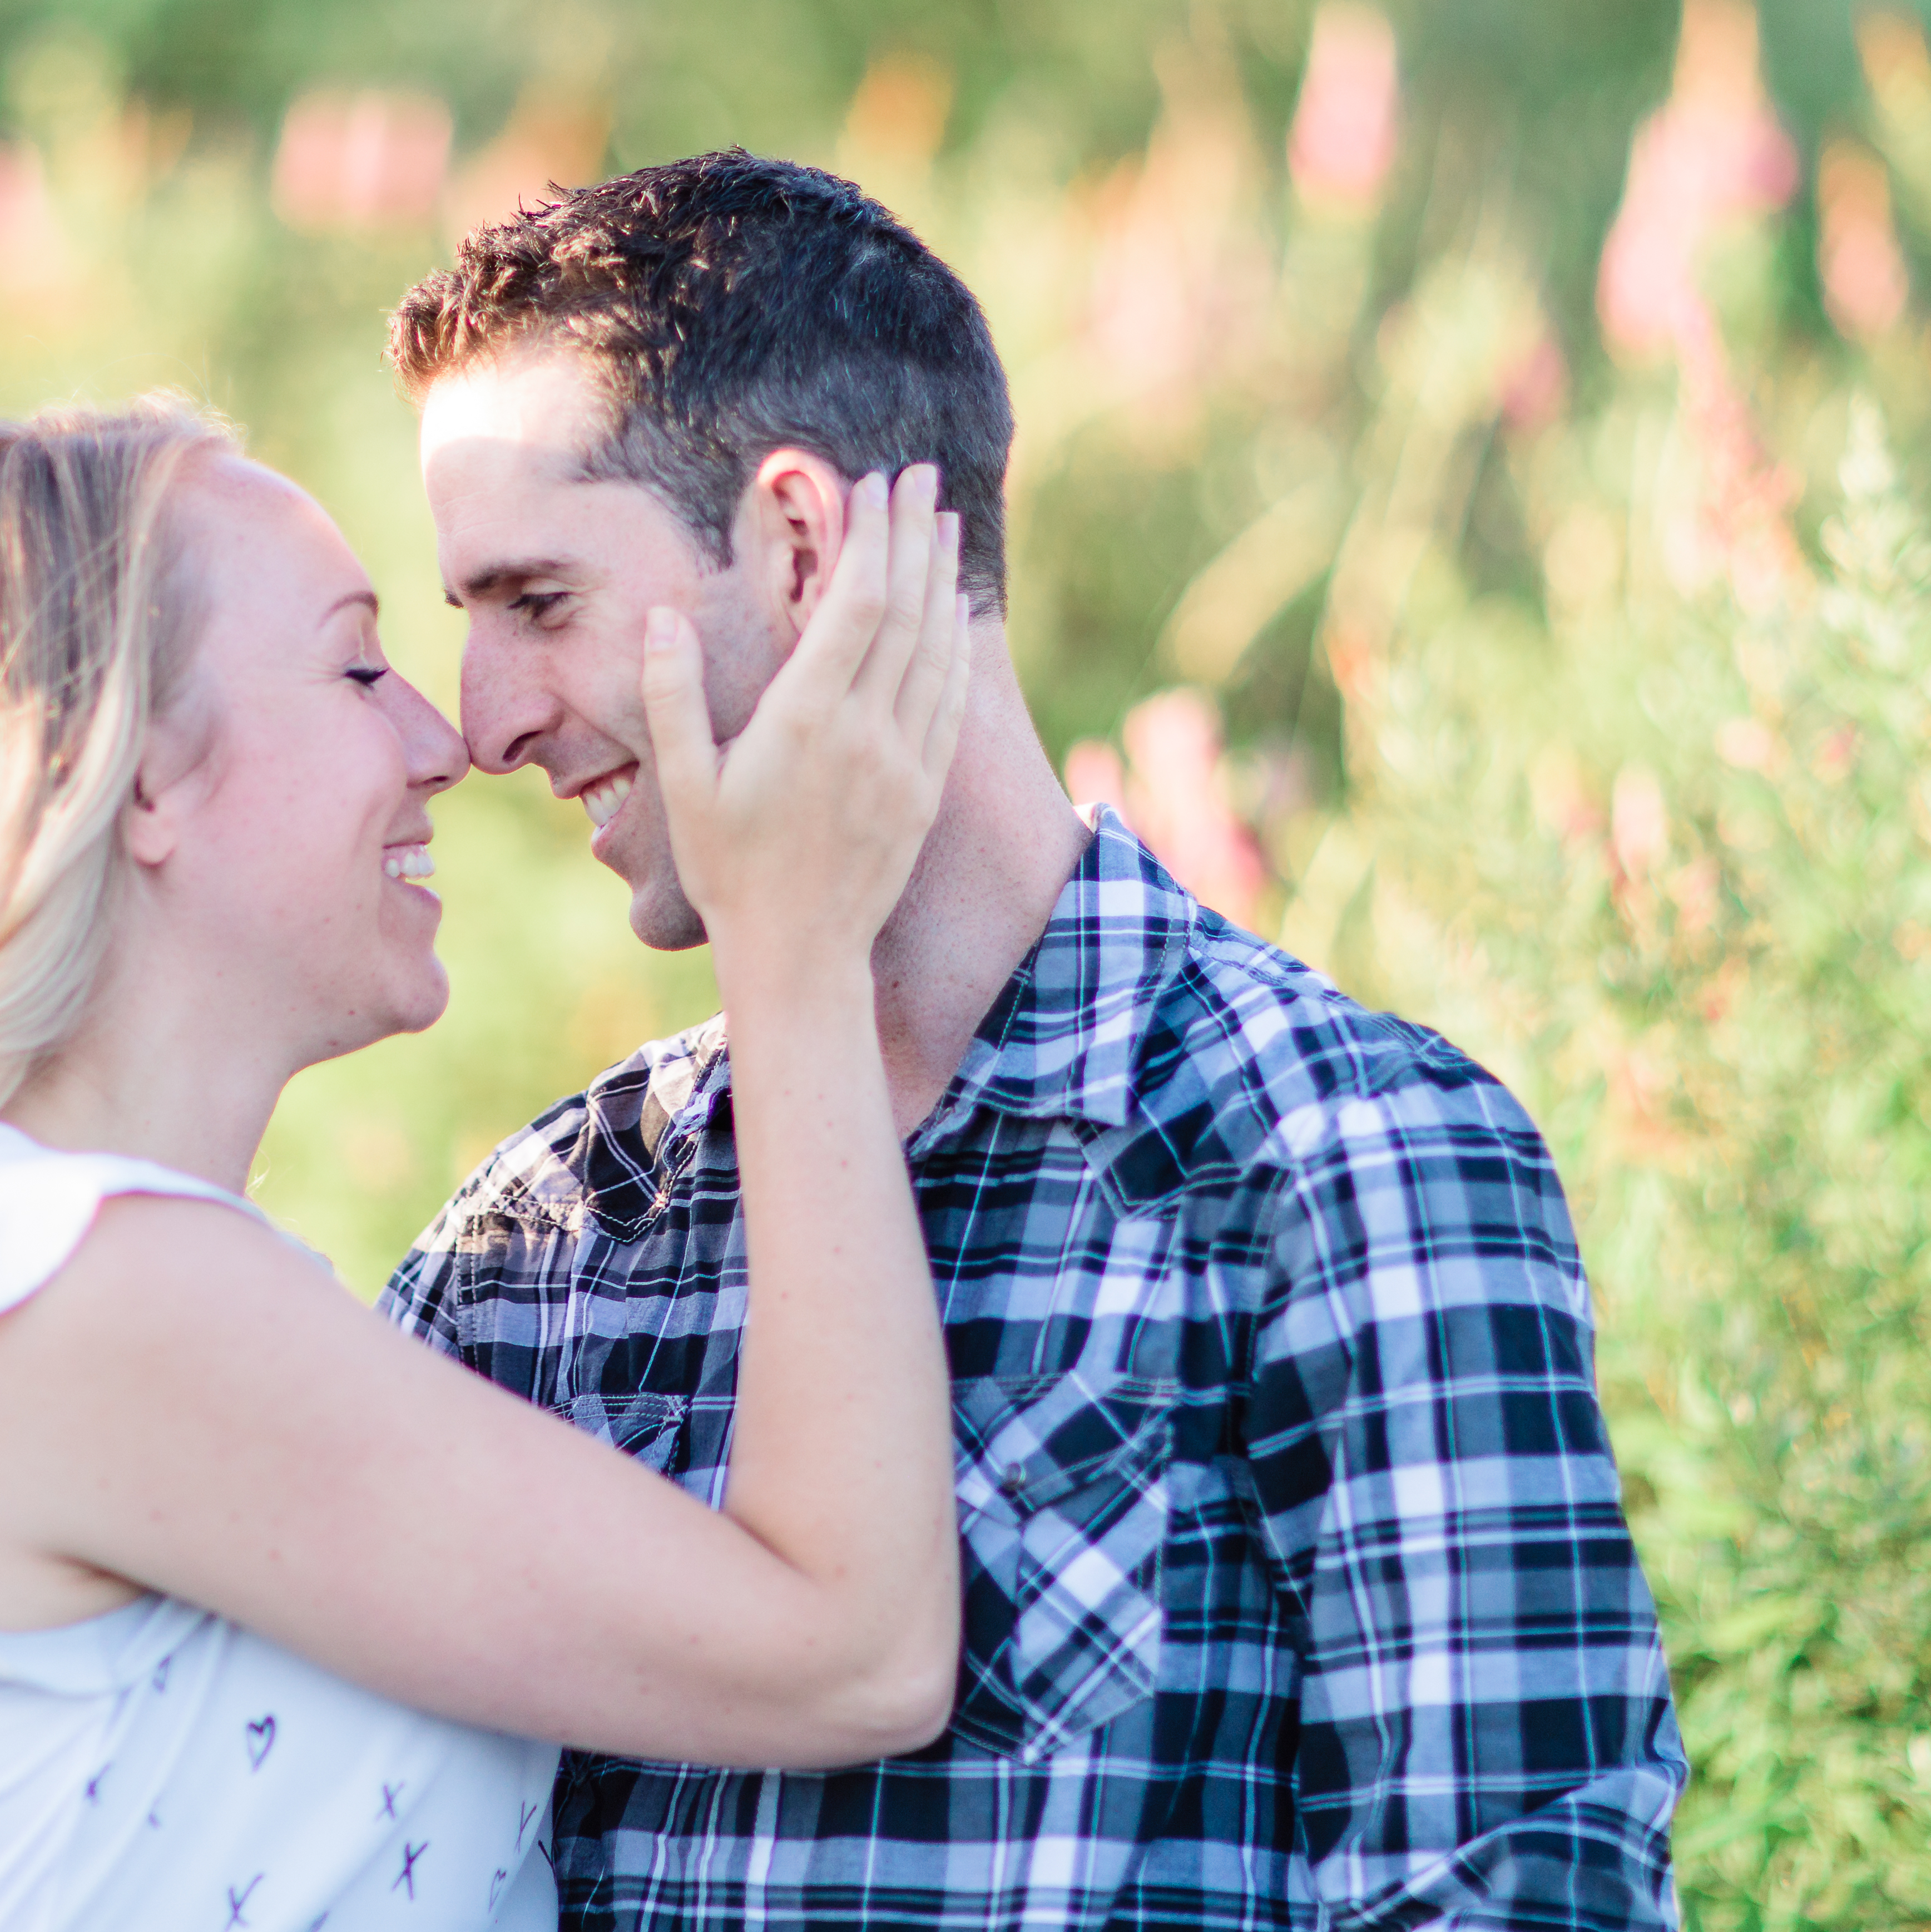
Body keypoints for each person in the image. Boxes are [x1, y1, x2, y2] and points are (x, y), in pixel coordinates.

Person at [383, 150, 1688, 1931]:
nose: (484, 724)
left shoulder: (1343, 1166)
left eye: (536, 604)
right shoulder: (536, 1247)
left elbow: (1507, 1901)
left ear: (793, 539)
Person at [0, 402, 983, 1930]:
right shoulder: (67, 1292)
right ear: (135, 775)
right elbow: (852, 1648)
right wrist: (794, 948)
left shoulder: (60, 1275)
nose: (441, 742)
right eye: (358, 664)